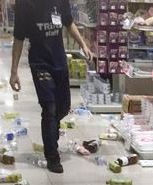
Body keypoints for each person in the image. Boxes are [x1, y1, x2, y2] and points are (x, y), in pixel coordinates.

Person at [9, 0, 92, 174]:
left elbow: (68, 23)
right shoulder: (25, 4)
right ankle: (52, 156)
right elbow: (18, 38)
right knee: (49, 108)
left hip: (60, 61)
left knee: (63, 108)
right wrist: (14, 72)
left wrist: (83, 45)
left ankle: (52, 134)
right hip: (40, 62)